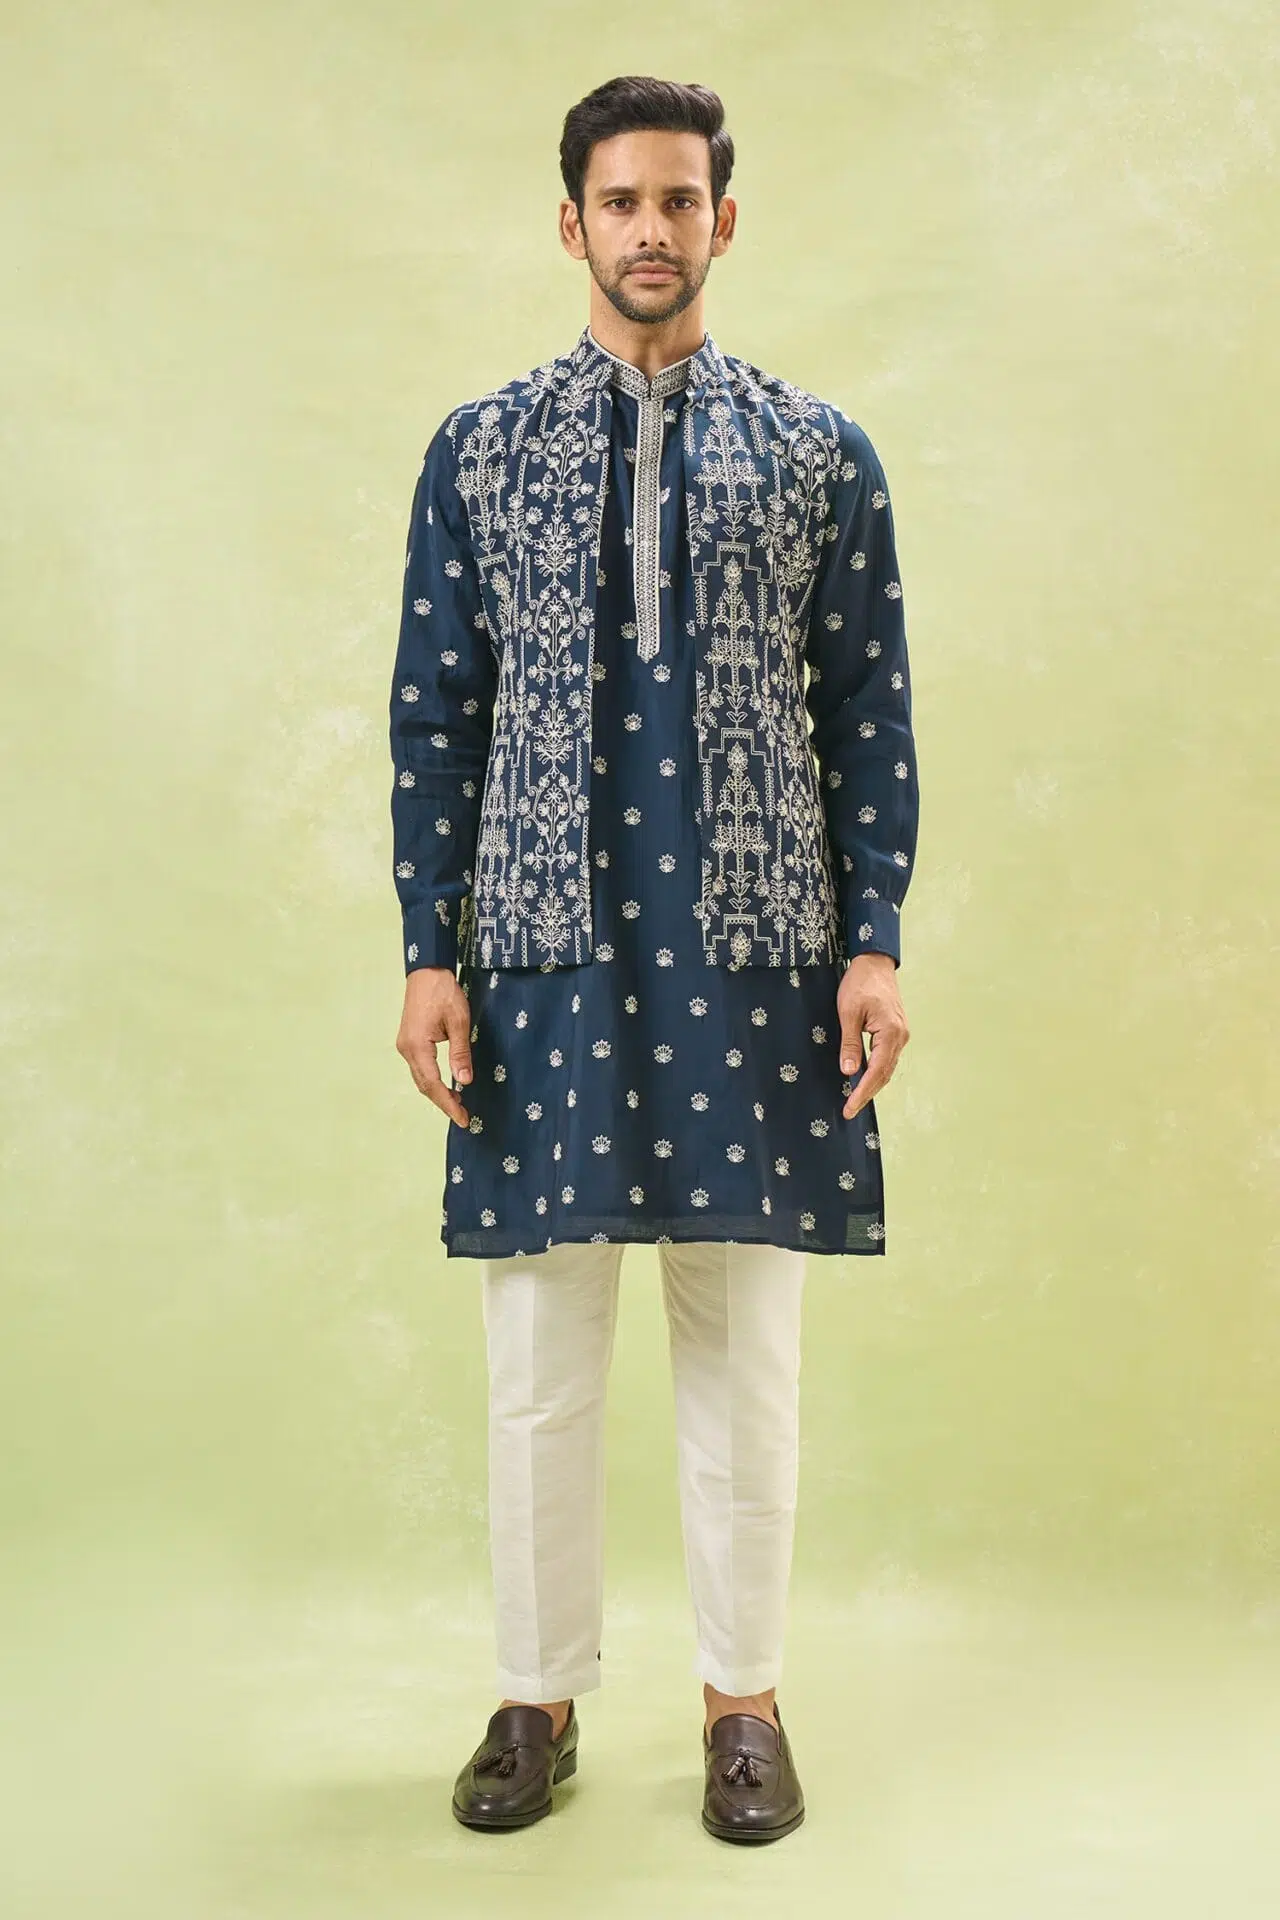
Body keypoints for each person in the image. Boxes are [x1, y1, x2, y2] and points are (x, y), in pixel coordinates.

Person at [389, 75, 919, 1843]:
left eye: (679, 200)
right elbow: (436, 712)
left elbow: (867, 708)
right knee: (540, 1356)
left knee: (744, 1355)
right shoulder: (480, 451)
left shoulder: (818, 452)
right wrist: (429, 951)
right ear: (572, 224)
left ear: (723, 221)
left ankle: (743, 1703)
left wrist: (874, 939)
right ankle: (533, 1697)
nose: (650, 229)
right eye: (619, 201)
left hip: (758, 952)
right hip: (542, 947)